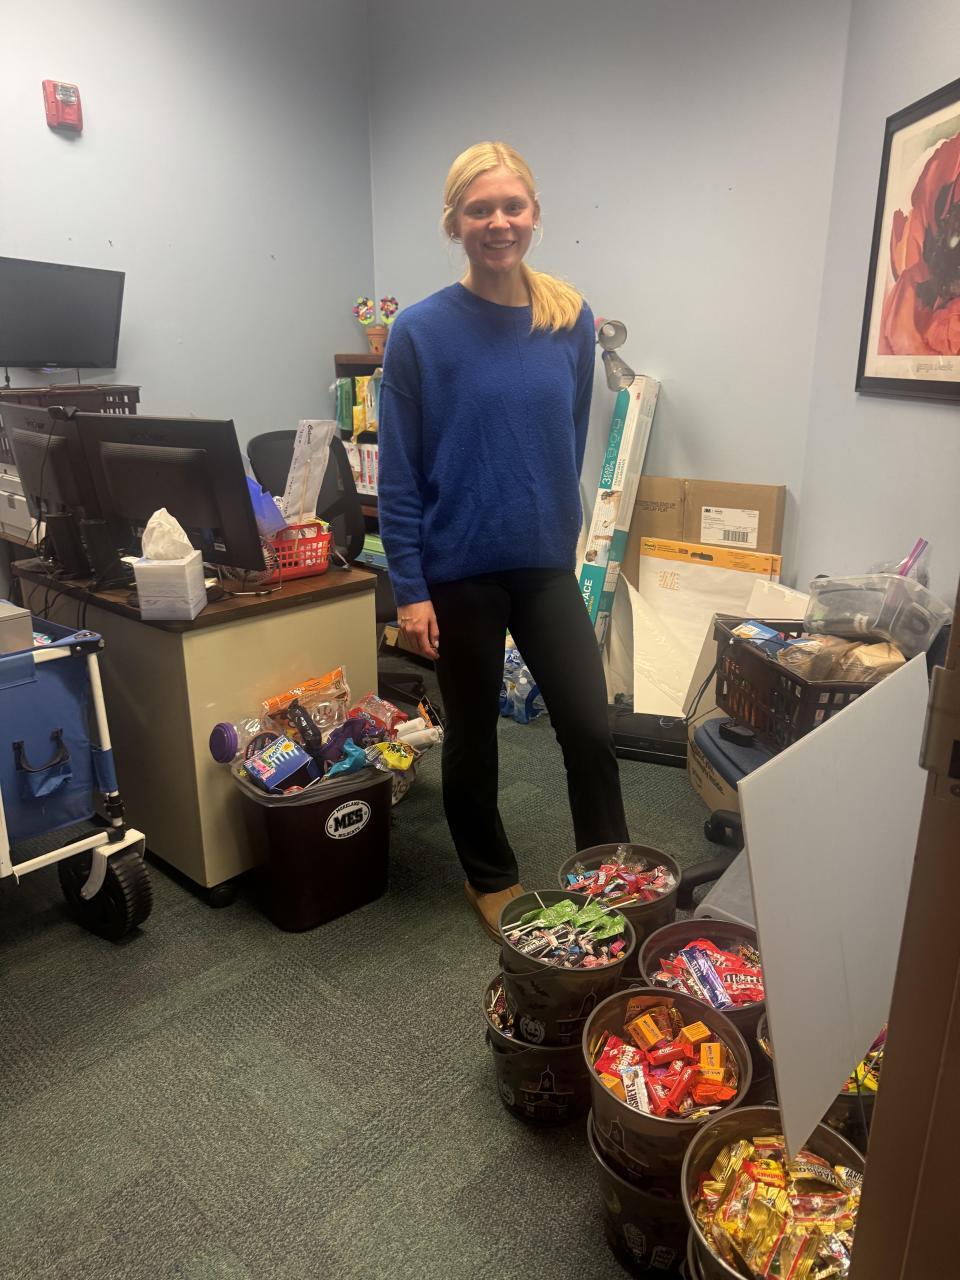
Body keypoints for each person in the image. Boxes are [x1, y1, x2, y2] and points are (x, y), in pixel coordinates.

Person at [378, 141, 630, 939]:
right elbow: (399, 474)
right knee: (474, 737)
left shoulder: (569, 319)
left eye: (511, 206)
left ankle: (610, 875)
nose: (498, 222)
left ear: (534, 214)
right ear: (455, 222)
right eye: (479, 209)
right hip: (459, 570)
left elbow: (568, 436)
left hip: (545, 565)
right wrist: (411, 590)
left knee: (589, 727)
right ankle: (488, 877)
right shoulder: (419, 332)